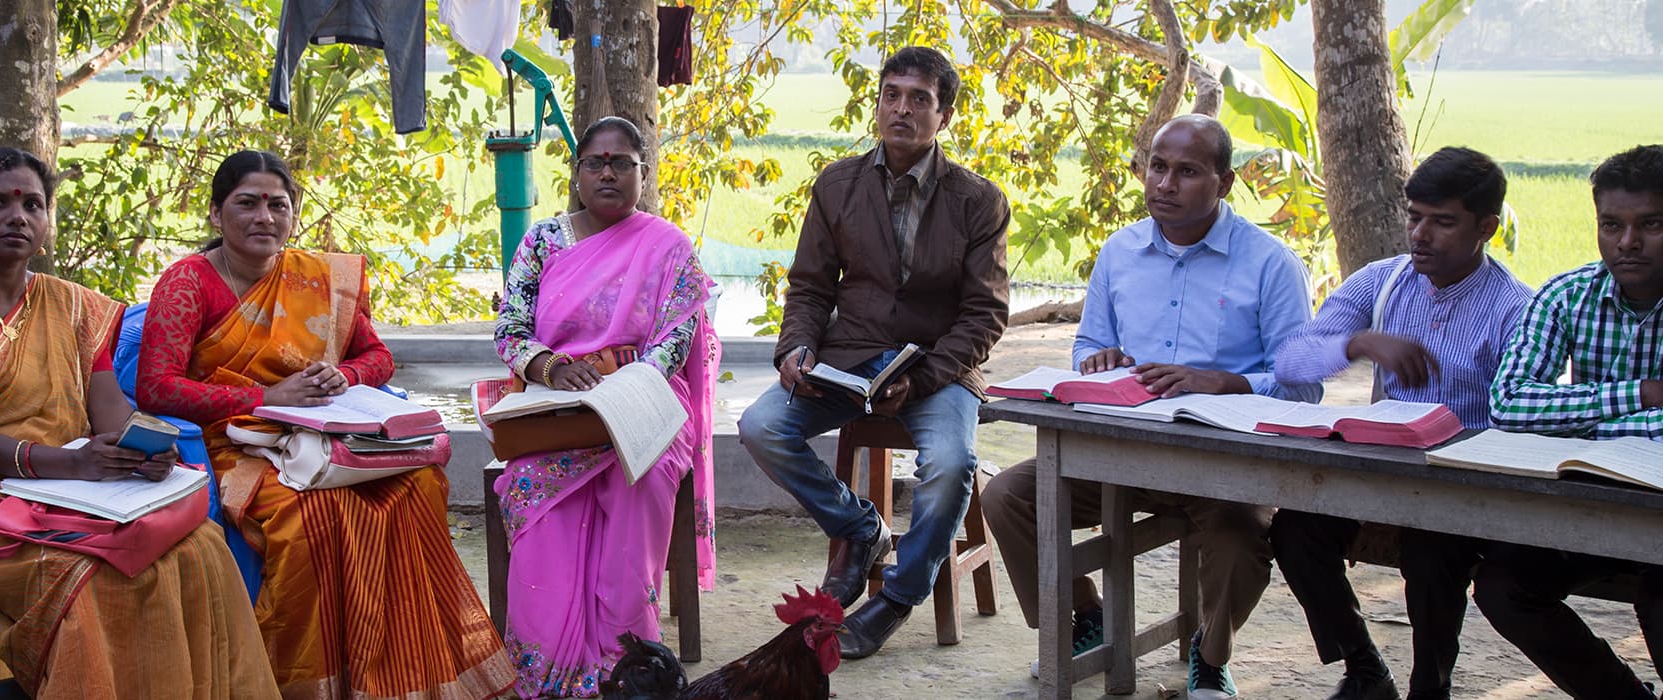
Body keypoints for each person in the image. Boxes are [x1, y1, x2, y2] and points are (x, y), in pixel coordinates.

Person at [0, 146, 277, 698]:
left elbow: (110, 410)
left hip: (65, 481)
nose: (18, 216)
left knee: (200, 548)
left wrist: (147, 448)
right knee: (93, 571)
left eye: (33, 205)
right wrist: (73, 465)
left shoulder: (69, 305)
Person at [136, 150, 515, 699]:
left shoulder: (318, 280)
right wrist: (264, 396)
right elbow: (157, 386)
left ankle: (399, 676)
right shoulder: (188, 284)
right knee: (304, 518)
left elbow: (378, 357)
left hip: (331, 437)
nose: (264, 216)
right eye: (247, 203)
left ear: (293, 215)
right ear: (217, 214)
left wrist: (343, 374)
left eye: (278, 204)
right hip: (242, 441)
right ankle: (307, 685)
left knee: (413, 487)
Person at [982, 115, 1319, 699]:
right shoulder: (1121, 251)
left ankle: (1211, 654)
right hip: (1124, 454)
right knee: (1008, 496)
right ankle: (1087, 618)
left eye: (1187, 172)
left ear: (1225, 182)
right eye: (1157, 167)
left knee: (1242, 541)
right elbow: (1088, 343)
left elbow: (1303, 386)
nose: (1164, 183)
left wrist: (1225, 383)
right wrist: (1097, 359)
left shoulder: (1271, 264)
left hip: (1225, 466)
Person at [736, 45, 1010, 661]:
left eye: (920, 99)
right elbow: (809, 287)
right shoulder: (838, 183)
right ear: (877, 103)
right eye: (892, 95)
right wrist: (798, 349)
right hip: (848, 356)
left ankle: (897, 597)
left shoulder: (978, 200)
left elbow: (984, 315)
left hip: (938, 370)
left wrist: (922, 378)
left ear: (945, 116)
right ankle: (861, 528)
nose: (902, 110)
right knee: (759, 426)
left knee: (950, 465)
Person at [1269, 147, 1531, 700]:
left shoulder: (1514, 308)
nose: (1420, 234)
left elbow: (1519, 418)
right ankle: (1364, 668)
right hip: (1379, 468)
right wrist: (1358, 342)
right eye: (1414, 216)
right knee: (1295, 530)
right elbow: (1291, 362)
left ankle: (1429, 686)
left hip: (1462, 483)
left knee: (1434, 555)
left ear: (1486, 227)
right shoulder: (1383, 282)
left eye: (1443, 222)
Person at [491, 116, 720, 698]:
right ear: (577, 174)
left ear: (643, 173)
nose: (609, 172)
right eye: (595, 162)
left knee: (637, 478)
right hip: (556, 405)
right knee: (529, 488)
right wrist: (551, 368)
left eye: (623, 162)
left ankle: (627, 664)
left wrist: (623, 390)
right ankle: (549, 667)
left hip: (642, 404)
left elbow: (674, 339)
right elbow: (511, 331)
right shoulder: (542, 242)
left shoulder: (668, 245)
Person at [1478, 143, 1663, 700]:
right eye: (1611, 225)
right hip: (1589, 507)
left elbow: (1538, 408)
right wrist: (1644, 395)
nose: (1626, 243)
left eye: (1650, 225)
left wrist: (1575, 416)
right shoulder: (1567, 295)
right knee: (1502, 585)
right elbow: (1508, 403)